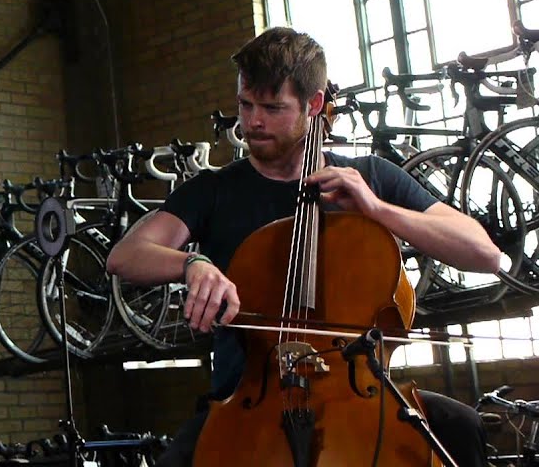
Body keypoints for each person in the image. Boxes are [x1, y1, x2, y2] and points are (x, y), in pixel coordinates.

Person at [106, 27, 503, 467]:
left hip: (358, 396)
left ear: (314, 105)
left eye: (272, 108)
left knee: (461, 426)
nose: (252, 122)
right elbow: (125, 255)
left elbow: (483, 254)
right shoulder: (214, 191)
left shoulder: (370, 177)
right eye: (245, 104)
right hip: (246, 398)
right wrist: (193, 263)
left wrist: (378, 210)